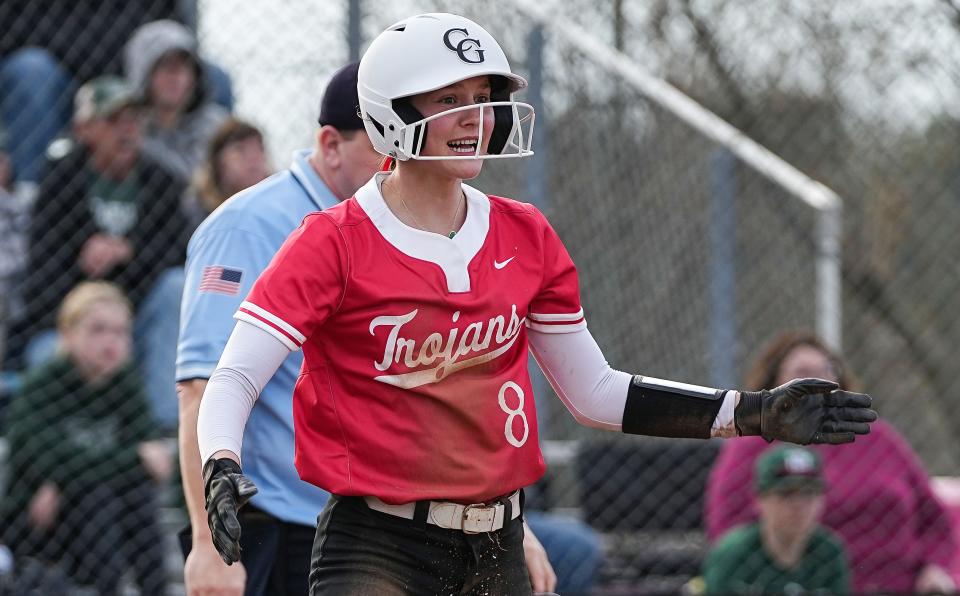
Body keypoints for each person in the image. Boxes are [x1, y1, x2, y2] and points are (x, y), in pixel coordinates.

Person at [195, 13, 875, 595]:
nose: (477, 116)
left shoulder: (524, 233)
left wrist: (752, 413)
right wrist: (221, 463)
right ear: (391, 113)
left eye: (482, 97)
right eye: (449, 99)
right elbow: (234, 376)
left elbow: (595, 393)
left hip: (498, 541)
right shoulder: (331, 242)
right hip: (377, 543)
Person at [177, 61, 563, 596]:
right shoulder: (253, 224)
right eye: (381, 138)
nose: (393, 156)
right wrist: (206, 540)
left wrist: (509, 525)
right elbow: (201, 388)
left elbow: (452, 401)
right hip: (278, 520)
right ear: (331, 144)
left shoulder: (424, 229)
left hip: (409, 523)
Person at [706, 330, 958, 594]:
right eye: (801, 371)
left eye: (826, 370)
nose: (816, 380)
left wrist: (937, 568)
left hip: (901, 584)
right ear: (775, 383)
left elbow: (934, 518)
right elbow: (727, 532)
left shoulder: (878, 437)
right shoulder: (751, 443)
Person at [10, 75, 188, 430]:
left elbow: (177, 252)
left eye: (133, 119)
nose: (126, 130)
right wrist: (89, 309)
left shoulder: (162, 181)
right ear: (84, 130)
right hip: (71, 323)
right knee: (46, 356)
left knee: (176, 285)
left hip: (136, 320)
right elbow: (44, 274)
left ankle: (164, 431)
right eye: (112, 121)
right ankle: (64, 456)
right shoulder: (59, 180)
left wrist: (129, 253)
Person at [1, 281, 172, 594]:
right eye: (97, 330)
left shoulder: (125, 384)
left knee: (130, 492)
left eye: (120, 332)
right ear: (67, 335)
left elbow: (155, 461)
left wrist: (63, 476)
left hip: (107, 515)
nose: (110, 342)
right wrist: (132, 458)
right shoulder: (42, 385)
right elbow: (41, 458)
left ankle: (156, 590)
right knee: (100, 492)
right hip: (38, 527)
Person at [702, 445, 849, 595]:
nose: (798, 505)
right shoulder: (733, 554)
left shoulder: (828, 552)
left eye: (808, 494)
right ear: (760, 499)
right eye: (785, 494)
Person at [124, 19, 230, 185]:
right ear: (143, 74)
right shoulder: (126, 128)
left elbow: (202, 186)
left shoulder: (217, 126)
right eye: (166, 66)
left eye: (185, 66)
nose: (177, 77)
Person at [181, 117, 272, 231]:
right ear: (217, 161)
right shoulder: (197, 211)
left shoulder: (277, 207)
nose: (253, 157)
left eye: (259, 149)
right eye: (240, 149)